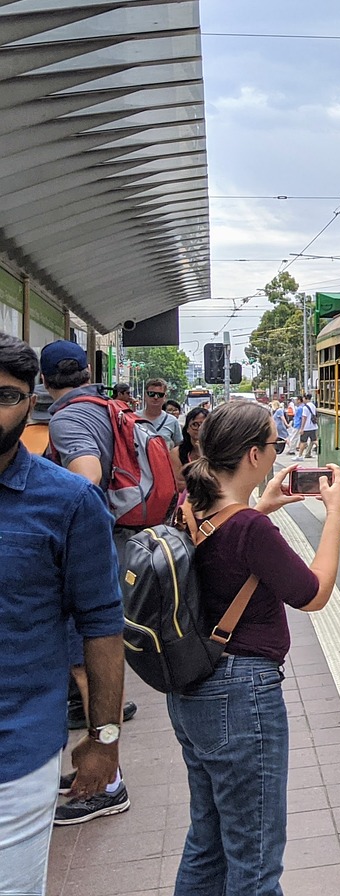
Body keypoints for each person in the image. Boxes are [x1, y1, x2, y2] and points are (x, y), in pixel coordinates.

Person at [166, 399, 340, 894]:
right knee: (256, 859)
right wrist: (335, 513)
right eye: (274, 443)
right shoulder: (250, 529)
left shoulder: (191, 506)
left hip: (192, 691)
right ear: (252, 455)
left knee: (207, 841)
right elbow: (313, 594)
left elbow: (221, 551)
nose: (279, 451)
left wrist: (261, 505)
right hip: (241, 696)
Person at [0, 334, 124, 894]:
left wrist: (104, 738)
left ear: (34, 402)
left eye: (5, 396)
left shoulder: (67, 502)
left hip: (16, 758)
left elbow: (102, 626)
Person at [41, 339, 136, 825]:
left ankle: (109, 779)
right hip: (119, 539)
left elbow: (85, 477)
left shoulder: (66, 418)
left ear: (42, 382)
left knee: (86, 663)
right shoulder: (108, 407)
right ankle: (99, 764)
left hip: (91, 548)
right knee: (94, 655)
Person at [170, 406, 209, 491]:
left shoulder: (218, 451)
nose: (199, 429)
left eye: (204, 425)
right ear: (187, 428)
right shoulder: (176, 453)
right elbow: (178, 484)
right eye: (195, 425)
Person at [136, 377, 181, 447]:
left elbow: (179, 447)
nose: (156, 397)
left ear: (165, 397)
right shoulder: (134, 418)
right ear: (145, 395)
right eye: (151, 394)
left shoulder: (172, 421)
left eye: (160, 395)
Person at [298, 392, 319, 458]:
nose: (303, 399)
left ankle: (299, 456)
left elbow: (304, 417)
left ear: (305, 398)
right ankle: (321, 449)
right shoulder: (313, 405)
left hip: (306, 427)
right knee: (314, 440)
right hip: (313, 426)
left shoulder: (305, 407)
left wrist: (302, 428)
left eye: (303, 398)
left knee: (303, 441)